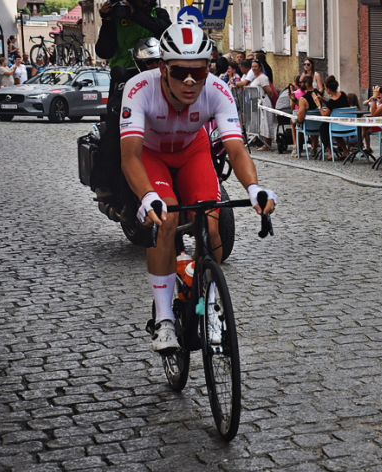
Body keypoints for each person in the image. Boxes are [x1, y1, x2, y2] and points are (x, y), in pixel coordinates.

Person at [120, 23, 276, 354]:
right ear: (163, 68)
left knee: (212, 222)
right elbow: (130, 156)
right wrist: (148, 197)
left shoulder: (218, 90)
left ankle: (211, 302)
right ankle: (163, 319)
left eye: (199, 71)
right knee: (167, 220)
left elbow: (236, 149)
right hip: (152, 155)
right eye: (179, 72)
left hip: (193, 152)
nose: (190, 80)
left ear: (208, 68)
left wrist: (254, 189)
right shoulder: (138, 89)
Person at [93, 0, 171, 200]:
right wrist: (108, 20)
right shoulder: (117, 18)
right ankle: (104, 181)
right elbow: (104, 52)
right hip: (124, 78)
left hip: (158, 76)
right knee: (116, 126)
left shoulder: (159, 14)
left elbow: (165, 30)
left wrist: (135, 14)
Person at [312, 75, 350, 160]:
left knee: (323, 128)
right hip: (347, 124)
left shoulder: (331, 103)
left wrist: (318, 104)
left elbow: (325, 115)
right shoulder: (343, 95)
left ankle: (330, 152)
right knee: (329, 128)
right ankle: (345, 151)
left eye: (325, 87)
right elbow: (335, 104)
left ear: (328, 89)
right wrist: (323, 100)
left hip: (337, 125)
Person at [249, 59, 276, 151]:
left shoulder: (262, 78)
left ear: (260, 67)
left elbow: (269, 91)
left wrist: (267, 101)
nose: (254, 68)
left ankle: (267, 144)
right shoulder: (255, 77)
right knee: (261, 122)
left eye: (256, 66)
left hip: (264, 101)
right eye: (252, 66)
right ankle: (263, 142)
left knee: (266, 122)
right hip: (257, 102)